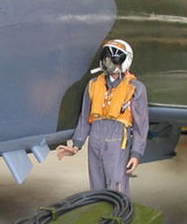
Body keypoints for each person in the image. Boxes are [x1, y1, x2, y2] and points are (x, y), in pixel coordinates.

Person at [58, 39, 149, 196]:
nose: (109, 63)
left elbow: (141, 126)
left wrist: (136, 154)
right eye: (106, 59)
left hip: (118, 140)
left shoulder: (135, 88)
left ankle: (119, 219)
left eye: (113, 60)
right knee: (97, 187)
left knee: (117, 188)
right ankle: (102, 219)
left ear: (125, 61)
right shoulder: (93, 85)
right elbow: (85, 117)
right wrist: (76, 144)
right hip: (95, 139)